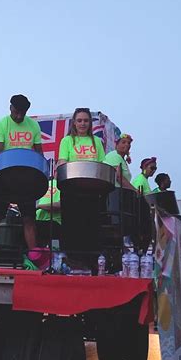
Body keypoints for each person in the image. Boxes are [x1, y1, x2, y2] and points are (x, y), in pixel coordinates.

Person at [0, 94, 43, 268]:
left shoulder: (34, 125)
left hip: (26, 180)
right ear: (10, 108)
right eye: (16, 112)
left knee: (29, 218)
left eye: (22, 113)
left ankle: (34, 257)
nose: (19, 116)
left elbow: (38, 154)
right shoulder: (1, 124)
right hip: (4, 179)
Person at [57, 108, 105, 262]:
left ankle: (91, 260)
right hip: (72, 189)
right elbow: (62, 162)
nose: (82, 123)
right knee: (72, 224)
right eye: (79, 120)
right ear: (74, 123)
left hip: (92, 189)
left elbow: (101, 164)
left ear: (90, 123)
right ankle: (71, 259)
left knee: (92, 224)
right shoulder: (67, 141)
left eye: (85, 120)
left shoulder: (97, 141)